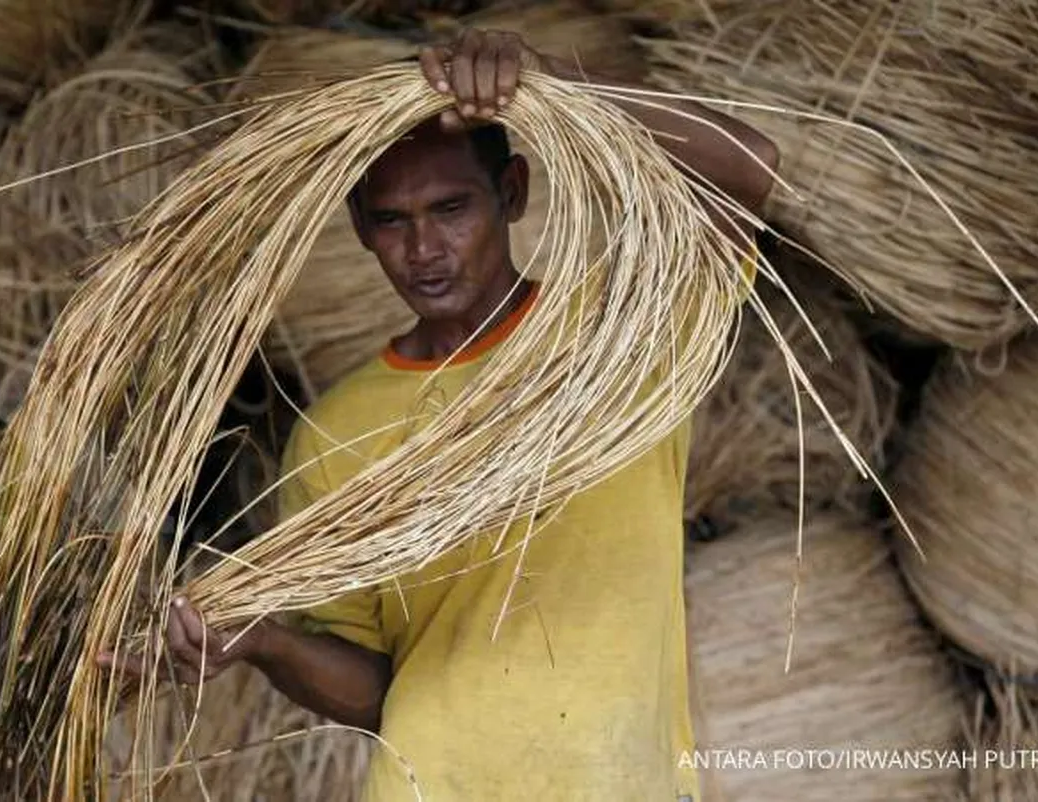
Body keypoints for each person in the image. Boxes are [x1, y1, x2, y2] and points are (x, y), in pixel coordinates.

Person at [100, 28, 778, 801]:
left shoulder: (622, 337)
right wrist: (263, 644)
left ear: (513, 194)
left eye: (452, 208)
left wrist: (558, 83)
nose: (425, 248)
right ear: (361, 229)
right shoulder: (336, 430)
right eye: (392, 220)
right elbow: (372, 687)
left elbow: (749, 168)